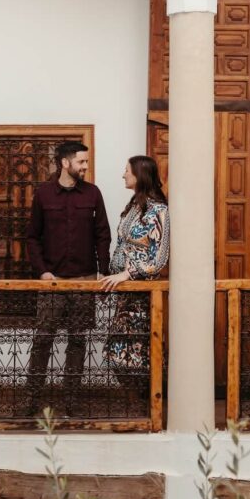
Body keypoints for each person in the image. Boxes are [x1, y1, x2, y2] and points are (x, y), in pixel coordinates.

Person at [25, 141, 111, 414]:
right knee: (42, 340)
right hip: (52, 280)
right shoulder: (43, 194)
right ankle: (32, 400)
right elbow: (32, 237)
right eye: (81, 162)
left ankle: (71, 401)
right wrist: (42, 271)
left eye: (86, 162)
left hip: (84, 279)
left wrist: (102, 270)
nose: (85, 167)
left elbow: (102, 234)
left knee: (77, 341)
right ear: (65, 163)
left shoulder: (93, 194)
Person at [100, 155, 170, 391]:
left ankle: (150, 402)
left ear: (139, 175)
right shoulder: (133, 206)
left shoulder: (158, 210)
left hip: (142, 296)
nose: (123, 174)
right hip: (125, 295)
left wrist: (127, 274)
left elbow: (159, 259)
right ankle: (139, 401)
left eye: (126, 170)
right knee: (117, 350)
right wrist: (111, 274)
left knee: (141, 351)